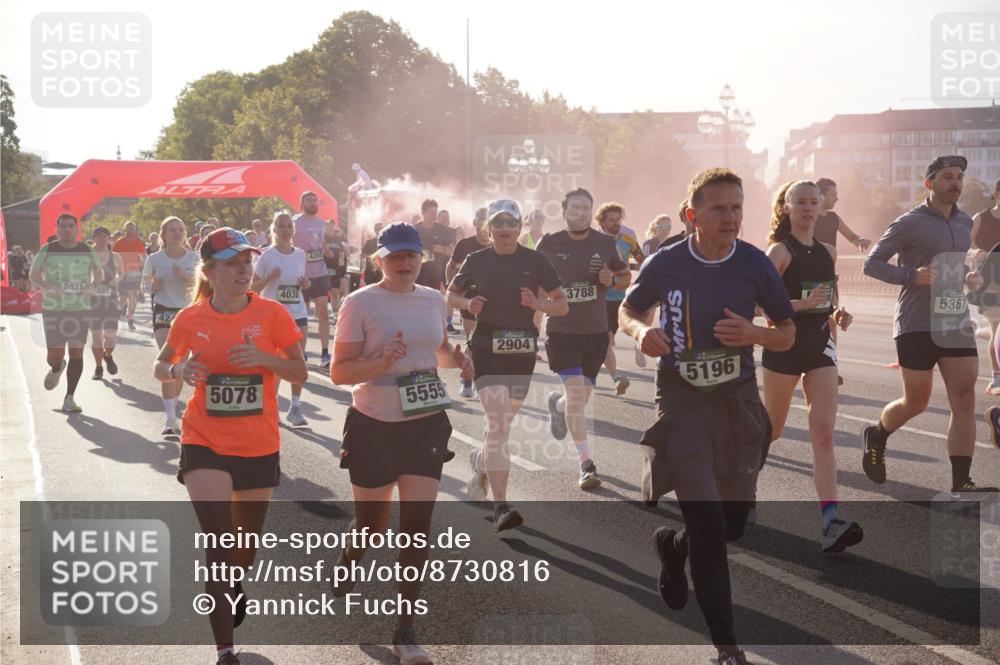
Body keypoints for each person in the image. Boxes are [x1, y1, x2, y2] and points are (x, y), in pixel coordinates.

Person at [619, 168, 796, 665]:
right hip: (682, 398)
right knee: (708, 521)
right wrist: (639, 333)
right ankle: (727, 647)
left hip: (736, 397)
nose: (731, 217)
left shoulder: (755, 264)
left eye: (737, 207)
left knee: (732, 525)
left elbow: (786, 332)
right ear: (693, 215)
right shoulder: (666, 262)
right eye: (719, 208)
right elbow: (628, 311)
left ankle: (674, 547)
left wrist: (754, 335)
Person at [153, 227, 305, 665]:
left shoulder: (273, 314)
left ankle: (233, 583)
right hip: (204, 440)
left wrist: (265, 360)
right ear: (211, 270)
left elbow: (300, 373)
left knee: (245, 547)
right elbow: (162, 364)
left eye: (247, 262)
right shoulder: (190, 318)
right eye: (233, 263)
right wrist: (181, 370)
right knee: (218, 543)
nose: (244, 269)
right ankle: (225, 651)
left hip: (258, 444)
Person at [329, 221, 472, 664]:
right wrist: (380, 361)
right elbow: (340, 372)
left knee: (415, 530)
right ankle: (351, 557)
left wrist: (458, 359)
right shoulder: (360, 302)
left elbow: (438, 351)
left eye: (411, 255)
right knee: (370, 528)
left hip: (425, 424)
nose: (404, 262)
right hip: (373, 424)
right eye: (394, 256)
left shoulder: (433, 300)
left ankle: (405, 629)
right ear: (379, 261)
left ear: (421, 258)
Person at [862, 155, 997, 494]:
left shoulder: (965, 222)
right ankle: (877, 434)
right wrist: (911, 275)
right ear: (929, 183)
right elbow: (872, 264)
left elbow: (951, 268)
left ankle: (961, 482)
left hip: (954, 320)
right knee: (916, 401)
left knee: (964, 397)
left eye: (960, 176)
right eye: (948, 176)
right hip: (916, 322)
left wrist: (968, 278)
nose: (956, 182)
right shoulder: (909, 222)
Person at [448, 199, 567, 528]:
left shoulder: (536, 260)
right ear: (490, 228)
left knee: (501, 426)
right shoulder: (476, 259)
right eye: (497, 224)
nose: (503, 230)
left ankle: (480, 461)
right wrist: (466, 302)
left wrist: (538, 302)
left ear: (519, 227)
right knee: (498, 424)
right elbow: (451, 296)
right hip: (486, 345)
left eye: (509, 223)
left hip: (522, 350)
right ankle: (501, 506)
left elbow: (562, 305)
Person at [760, 181, 863, 552]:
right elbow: (759, 307)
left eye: (812, 202)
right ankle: (741, 490)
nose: (807, 208)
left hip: (820, 347)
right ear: (786, 207)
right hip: (785, 346)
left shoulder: (829, 251)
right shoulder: (779, 252)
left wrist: (838, 312)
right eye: (799, 202)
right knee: (771, 431)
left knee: (823, 434)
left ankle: (830, 522)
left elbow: (830, 297)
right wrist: (802, 305)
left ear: (821, 208)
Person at [536, 188, 630, 490]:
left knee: (579, 398)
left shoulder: (604, 243)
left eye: (586, 208)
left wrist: (612, 280)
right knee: (579, 397)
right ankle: (586, 464)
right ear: (564, 211)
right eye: (575, 208)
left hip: (595, 332)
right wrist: (531, 326)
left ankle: (558, 405)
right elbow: (535, 288)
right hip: (562, 331)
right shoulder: (548, 244)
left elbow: (625, 275)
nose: (581, 213)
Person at [29, 213, 104, 413]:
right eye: (62, 226)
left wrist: (93, 285)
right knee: (54, 354)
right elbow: (33, 274)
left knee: (77, 351)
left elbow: (99, 272)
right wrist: (47, 286)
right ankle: (56, 367)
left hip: (80, 308)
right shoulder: (48, 249)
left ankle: (69, 397)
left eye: (71, 226)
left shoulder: (87, 249)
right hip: (54, 309)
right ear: (57, 229)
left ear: (77, 228)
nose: (67, 229)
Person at [251, 211, 312, 427]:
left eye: (289, 226)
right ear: (274, 230)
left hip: (297, 313)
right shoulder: (266, 256)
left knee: (299, 360)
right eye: (281, 226)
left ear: (293, 230)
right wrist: (268, 278)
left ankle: (295, 406)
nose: (285, 230)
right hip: (273, 316)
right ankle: (273, 404)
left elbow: (299, 282)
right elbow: (252, 287)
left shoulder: (300, 255)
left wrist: (305, 284)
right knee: (275, 362)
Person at [143, 216, 199, 435]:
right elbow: (146, 284)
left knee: (181, 364)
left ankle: (173, 407)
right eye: (172, 230)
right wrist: (153, 285)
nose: (177, 233)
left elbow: (203, 284)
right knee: (170, 360)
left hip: (186, 313)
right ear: (164, 234)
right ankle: (169, 419)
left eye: (180, 229)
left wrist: (184, 276)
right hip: (164, 312)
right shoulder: (155, 259)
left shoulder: (194, 257)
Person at [596, 202, 644, 395]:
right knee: (605, 338)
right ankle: (616, 377)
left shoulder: (628, 239)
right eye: (611, 220)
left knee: (605, 339)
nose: (616, 223)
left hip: (619, 296)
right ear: (602, 222)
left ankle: (589, 370)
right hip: (599, 296)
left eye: (618, 219)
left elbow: (642, 260)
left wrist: (626, 271)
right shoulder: (595, 239)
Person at [447, 206, 492, 398]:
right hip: (469, 299)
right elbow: (451, 265)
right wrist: (451, 286)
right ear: (474, 224)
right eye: (478, 222)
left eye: (486, 222)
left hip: (493, 300)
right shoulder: (464, 245)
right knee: (473, 339)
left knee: (488, 342)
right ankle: (467, 378)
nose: (482, 227)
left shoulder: (497, 245)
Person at [293, 191, 333, 366]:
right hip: (301, 276)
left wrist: (326, 250)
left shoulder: (321, 223)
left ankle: (325, 353)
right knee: (303, 315)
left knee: (323, 312)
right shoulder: (295, 223)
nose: (313, 203)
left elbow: (320, 242)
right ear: (301, 204)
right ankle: (302, 351)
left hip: (320, 273)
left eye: (315, 200)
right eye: (309, 200)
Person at [971, 178, 1000, 395]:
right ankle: (996, 378)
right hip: (990, 284)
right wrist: (976, 253)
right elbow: (964, 246)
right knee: (996, 330)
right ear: (996, 194)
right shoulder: (980, 219)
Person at [87, 227, 123, 381]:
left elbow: (121, 273)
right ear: (94, 238)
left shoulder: (115, 257)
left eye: (105, 236)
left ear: (109, 238)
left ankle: (107, 356)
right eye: (99, 236)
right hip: (92, 300)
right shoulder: (87, 257)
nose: (102, 239)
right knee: (96, 337)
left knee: (110, 339)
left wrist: (117, 279)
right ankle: (98, 368)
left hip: (111, 299)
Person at [814, 178, 871, 251]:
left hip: (829, 262)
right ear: (821, 196)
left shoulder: (834, 217)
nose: (836, 198)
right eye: (833, 195)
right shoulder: (809, 217)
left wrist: (861, 241)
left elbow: (852, 237)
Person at [113, 221, 147, 330]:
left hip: (134, 273)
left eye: (132, 228)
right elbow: (114, 257)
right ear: (125, 229)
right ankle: (116, 314)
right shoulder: (119, 242)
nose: (131, 230)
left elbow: (144, 257)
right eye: (128, 228)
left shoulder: (139, 242)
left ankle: (130, 318)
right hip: (122, 273)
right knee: (123, 297)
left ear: (135, 230)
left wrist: (142, 266)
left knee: (133, 296)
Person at [323, 222, 349, 322]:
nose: (330, 228)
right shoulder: (322, 238)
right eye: (328, 226)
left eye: (331, 226)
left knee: (337, 292)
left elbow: (342, 254)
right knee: (325, 293)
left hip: (336, 268)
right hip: (324, 268)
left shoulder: (338, 239)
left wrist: (342, 270)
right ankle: (326, 312)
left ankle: (335, 314)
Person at [361, 222, 384, 288]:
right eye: (377, 229)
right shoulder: (370, 242)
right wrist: (373, 256)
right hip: (370, 272)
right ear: (375, 230)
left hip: (382, 273)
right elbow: (362, 255)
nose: (379, 230)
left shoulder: (387, 243)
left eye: (381, 228)